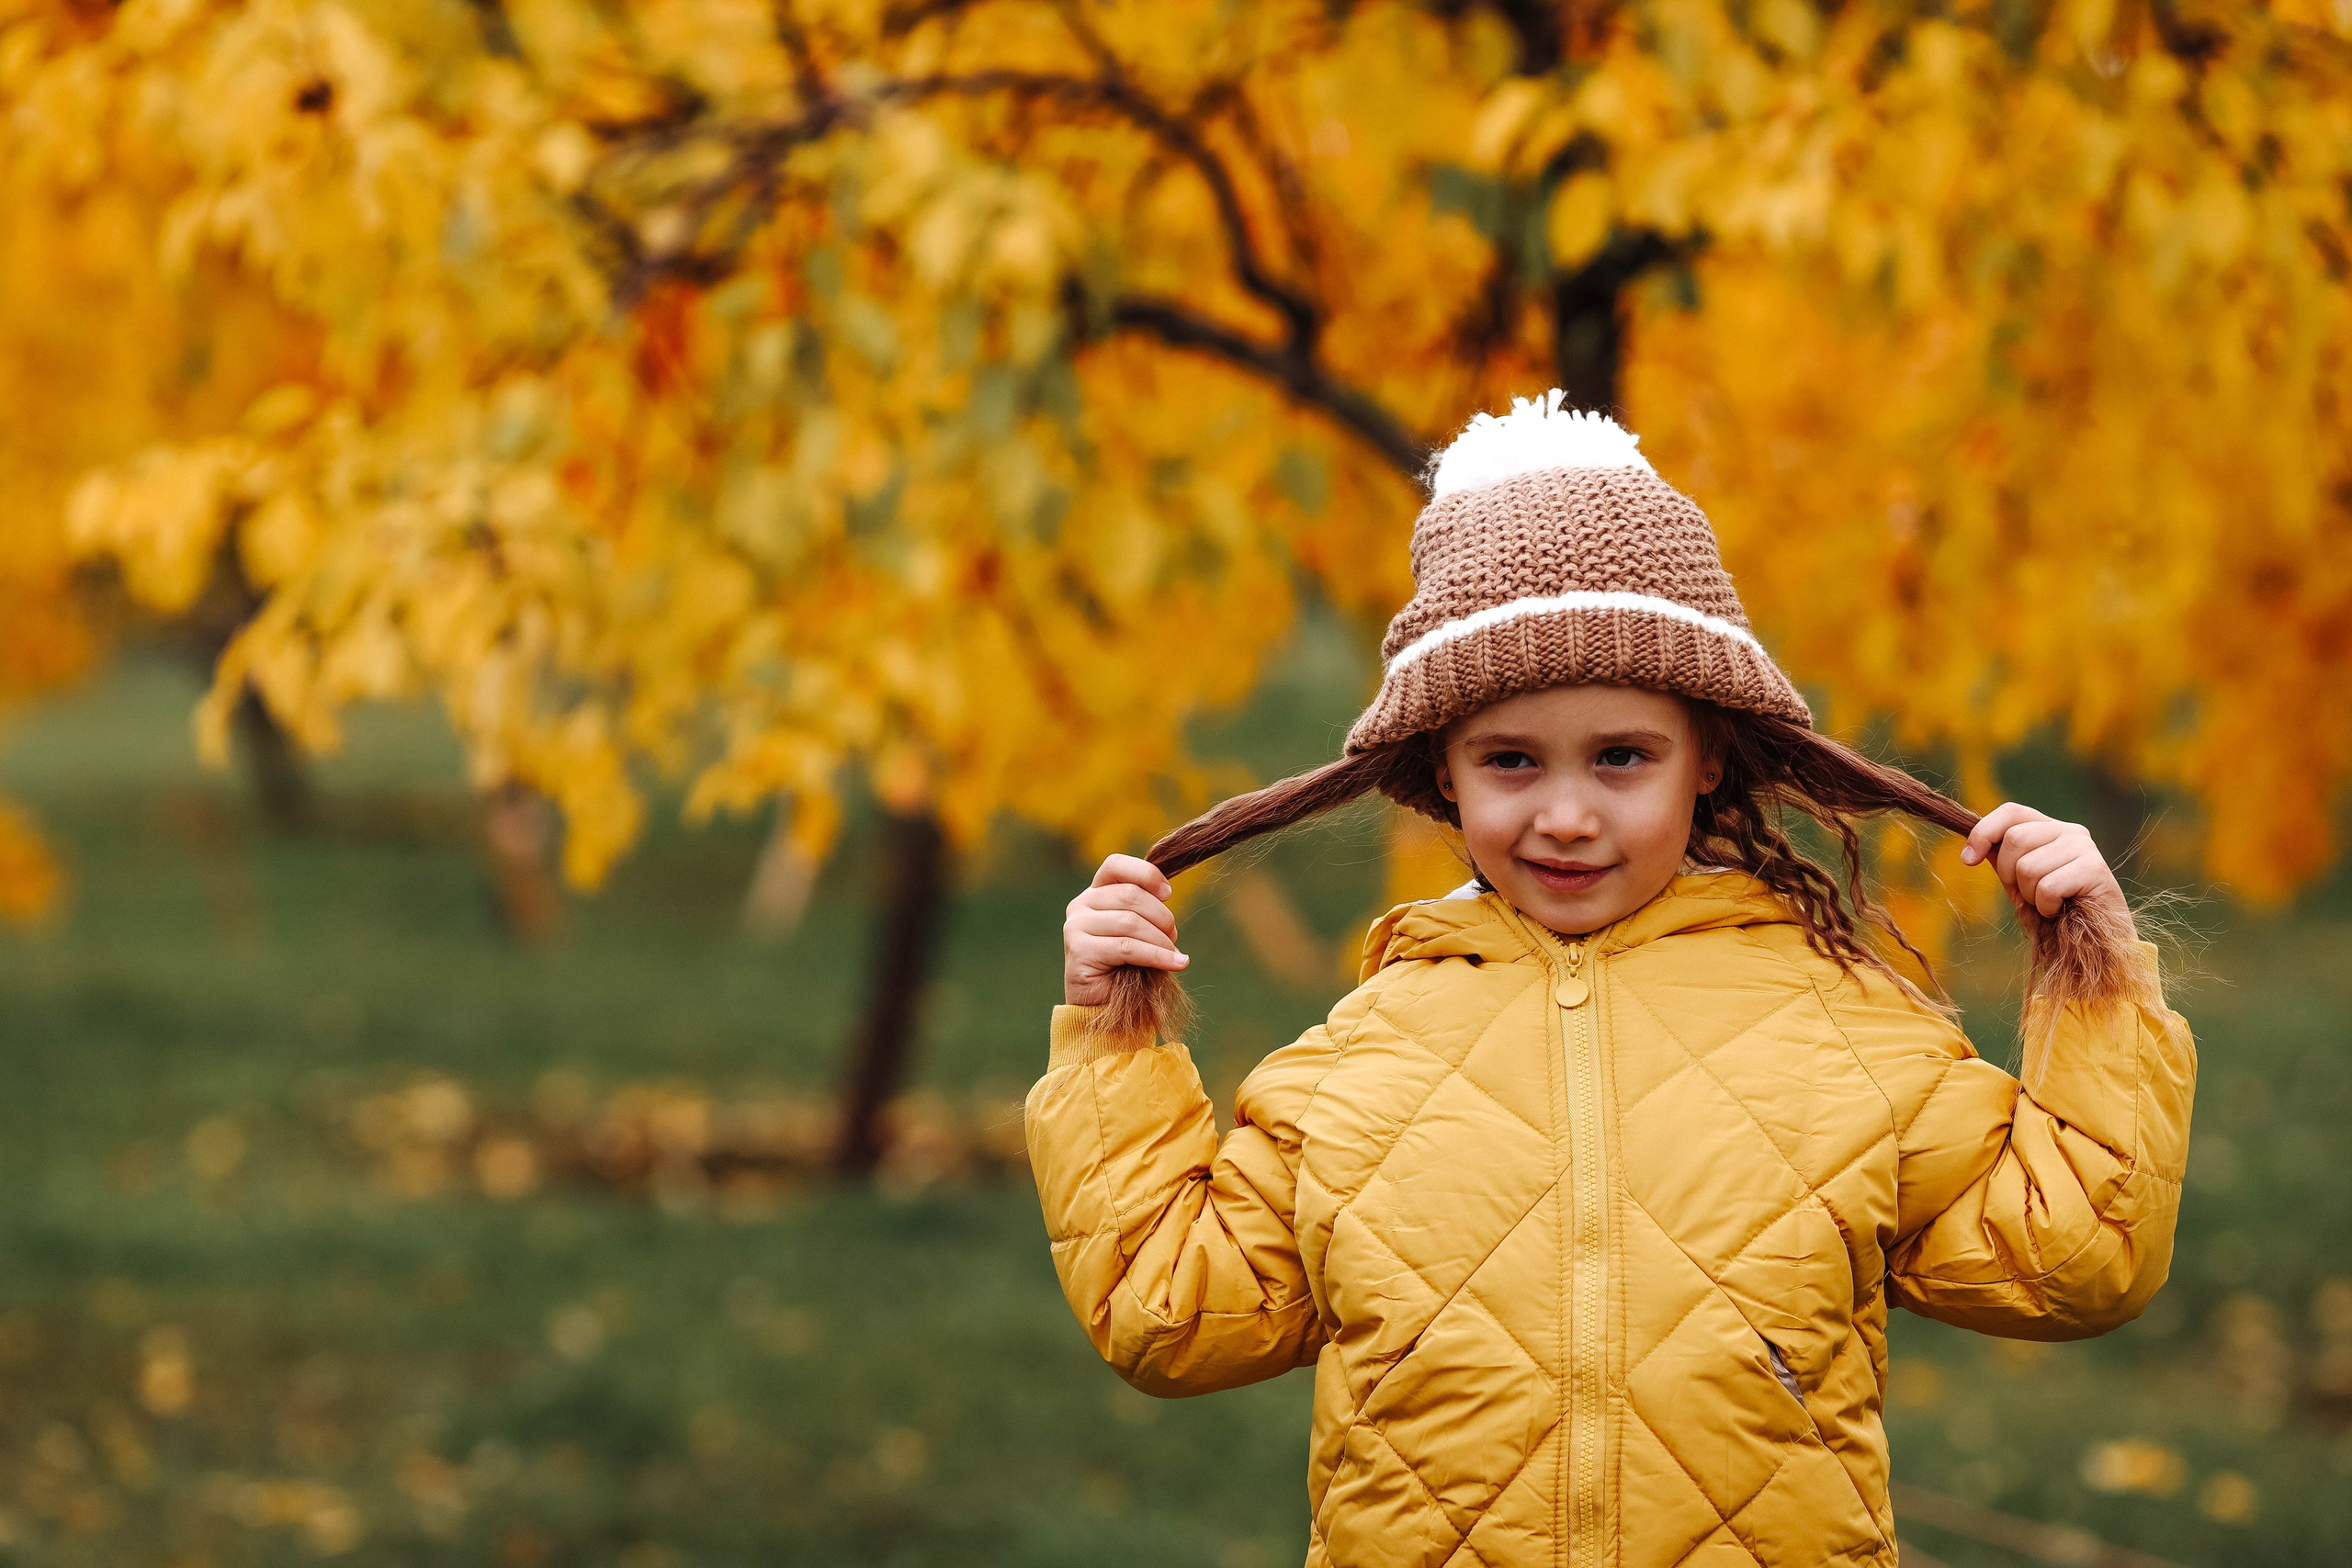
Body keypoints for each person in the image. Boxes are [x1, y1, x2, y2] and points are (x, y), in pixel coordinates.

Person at [1026, 392, 2196, 1568]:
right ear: (1445, 771)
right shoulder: (1361, 1065)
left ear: (1708, 758)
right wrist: (1111, 1040)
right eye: (1512, 761)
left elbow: (2076, 1256)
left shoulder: (1839, 1033)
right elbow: (1166, 1311)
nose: (1568, 816)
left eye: (1622, 757)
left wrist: (2093, 974)